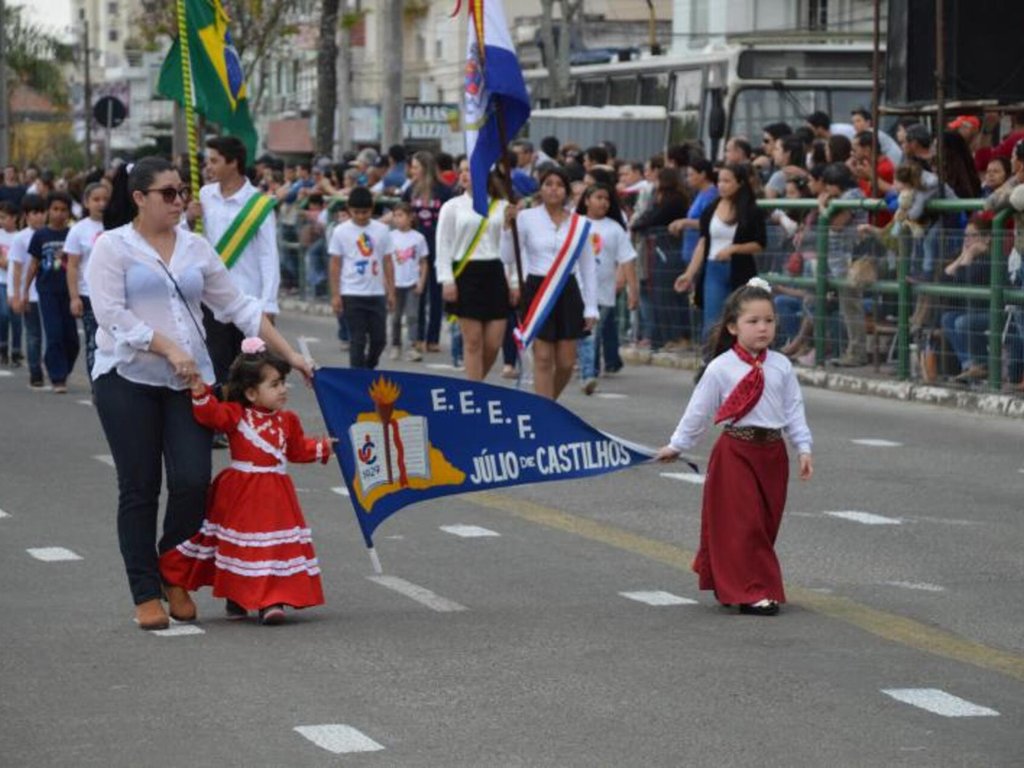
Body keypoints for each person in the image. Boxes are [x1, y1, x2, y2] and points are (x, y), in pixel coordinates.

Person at [86, 156, 312, 631]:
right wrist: (166, 346)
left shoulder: (196, 248)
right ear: (140, 198)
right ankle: (145, 592)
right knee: (140, 486)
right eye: (167, 193)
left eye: (182, 192)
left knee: (191, 481)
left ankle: (174, 572)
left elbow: (239, 307)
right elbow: (110, 315)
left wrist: (291, 356)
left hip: (190, 385)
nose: (179, 201)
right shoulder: (112, 247)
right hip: (127, 378)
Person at [656, 279, 813, 615]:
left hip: (772, 455)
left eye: (768, 321)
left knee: (766, 524)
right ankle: (754, 590)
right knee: (745, 523)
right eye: (752, 322)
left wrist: (803, 448)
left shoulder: (781, 366)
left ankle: (735, 582)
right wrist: (677, 445)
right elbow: (697, 412)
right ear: (732, 326)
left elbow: (793, 410)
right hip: (736, 453)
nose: (762, 328)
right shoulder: (721, 368)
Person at [160, 339, 333, 625]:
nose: (282, 390)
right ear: (252, 393)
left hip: (277, 495)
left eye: (283, 383)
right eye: (274, 385)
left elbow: (297, 450)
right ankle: (241, 596)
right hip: (242, 494)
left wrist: (325, 447)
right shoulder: (237, 415)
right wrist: (198, 389)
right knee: (242, 547)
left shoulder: (287, 420)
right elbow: (210, 414)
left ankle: (271, 599)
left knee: (272, 547)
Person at [187, 135, 280, 389]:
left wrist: (268, 303)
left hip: (248, 300)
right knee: (217, 368)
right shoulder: (204, 196)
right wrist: (188, 218)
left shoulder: (259, 204)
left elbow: (268, 256)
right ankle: (221, 424)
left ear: (233, 163)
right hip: (211, 299)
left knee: (250, 372)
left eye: (214, 161)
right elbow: (189, 242)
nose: (208, 166)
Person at [504, 166, 598, 399]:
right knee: (543, 358)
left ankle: (549, 404)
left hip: (568, 290)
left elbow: (588, 267)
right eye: (548, 184)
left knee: (566, 362)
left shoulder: (580, 224)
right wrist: (507, 229)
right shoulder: (525, 218)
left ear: (566, 190)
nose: (553, 189)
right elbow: (507, 256)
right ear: (540, 188)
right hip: (537, 290)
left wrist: (591, 306)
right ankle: (544, 412)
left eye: (559, 185)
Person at [436, 161, 516, 381]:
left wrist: (515, 281)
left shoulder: (502, 206)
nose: (464, 175)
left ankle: (476, 382)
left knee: (493, 342)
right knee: (473, 342)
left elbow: (512, 247)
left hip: (495, 272)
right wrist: (446, 279)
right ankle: (474, 391)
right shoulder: (452, 207)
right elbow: (443, 245)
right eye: (461, 170)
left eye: (469, 170)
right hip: (466, 272)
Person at [674, 164, 766, 345]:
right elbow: (703, 243)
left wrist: (734, 249)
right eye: (719, 181)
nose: (721, 185)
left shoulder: (750, 210)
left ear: (739, 183)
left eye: (727, 181)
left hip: (740, 269)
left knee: (742, 318)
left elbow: (759, 244)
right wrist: (689, 273)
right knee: (713, 321)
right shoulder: (710, 210)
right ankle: (710, 365)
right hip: (713, 269)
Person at [575, 182, 637, 394]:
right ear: (586, 201)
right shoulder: (576, 224)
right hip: (577, 289)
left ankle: (588, 373)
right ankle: (587, 371)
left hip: (604, 292)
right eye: (598, 197)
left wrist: (633, 291)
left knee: (592, 333)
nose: (603, 202)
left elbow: (627, 260)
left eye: (606, 198)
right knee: (586, 333)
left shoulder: (614, 228)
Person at [328, 186, 396, 370]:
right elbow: (335, 264)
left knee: (379, 340)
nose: (360, 216)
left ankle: (368, 368)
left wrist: (391, 291)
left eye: (365, 212)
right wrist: (335, 295)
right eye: (356, 212)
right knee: (357, 340)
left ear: (372, 208)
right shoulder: (340, 231)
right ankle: (357, 378)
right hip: (351, 292)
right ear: (349, 209)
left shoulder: (382, 230)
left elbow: (388, 261)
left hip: (376, 293)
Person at [25, 191, 77, 393]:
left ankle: (60, 366)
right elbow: (33, 265)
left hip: (69, 291)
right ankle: (58, 378)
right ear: (48, 211)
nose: (59, 214)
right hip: (47, 292)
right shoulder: (40, 235)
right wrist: (23, 292)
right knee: (54, 334)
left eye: (64, 210)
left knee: (72, 339)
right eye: (55, 209)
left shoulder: (73, 233)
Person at [402, 151, 452, 353]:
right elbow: (401, 213)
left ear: (424, 167)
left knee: (436, 294)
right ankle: (418, 336)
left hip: (438, 247)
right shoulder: (410, 190)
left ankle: (433, 338)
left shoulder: (444, 191)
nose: (412, 171)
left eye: (415, 167)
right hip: (415, 250)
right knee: (418, 293)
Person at [64, 182, 109, 389]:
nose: (101, 204)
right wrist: (74, 297)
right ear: (86, 202)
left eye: (105, 199)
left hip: (113, 294)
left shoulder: (117, 225)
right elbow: (72, 266)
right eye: (96, 200)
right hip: (88, 294)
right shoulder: (78, 230)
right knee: (93, 342)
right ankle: (96, 387)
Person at [8, 194, 46, 383]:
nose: (39, 217)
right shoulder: (20, 238)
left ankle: (54, 368)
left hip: (49, 294)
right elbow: (16, 269)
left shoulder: (49, 234)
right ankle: (35, 372)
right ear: (26, 215)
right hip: (29, 294)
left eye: (41, 212)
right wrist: (16, 294)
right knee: (34, 335)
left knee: (53, 335)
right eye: (34, 213)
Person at [388, 202, 429, 362]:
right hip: (396, 283)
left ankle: (413, 346)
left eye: (401, 215)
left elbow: (424, 262)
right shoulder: (390, 237)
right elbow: (387, 262)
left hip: (412, 283)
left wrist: (421, 282)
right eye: (395, 216)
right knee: (396, 317)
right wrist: (387, 284)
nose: (397, 219)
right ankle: (396, 345)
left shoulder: (418, 238)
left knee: (412, 316)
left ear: (410, 217)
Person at [0, 201, 21, 366]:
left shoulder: (19, 237)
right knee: (4, 314)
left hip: (16, 282)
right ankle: (3, 346)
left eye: (4, 217)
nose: (1, 220)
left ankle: (16, 350)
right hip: (1, 281)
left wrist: (10, 263)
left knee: (17, 318)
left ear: (15, 218)